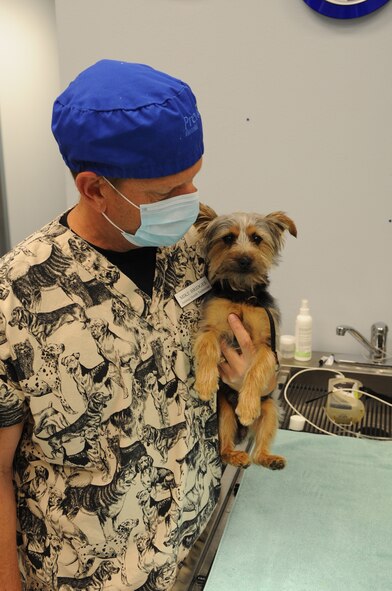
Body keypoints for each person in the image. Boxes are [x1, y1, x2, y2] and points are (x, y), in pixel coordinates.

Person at [0, 59, 255, 591]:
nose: (190, 202)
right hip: (86, 576)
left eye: (194, 180)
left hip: (198, 549)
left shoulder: (201, 251)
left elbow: (236, 363)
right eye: (165, 195)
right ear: (94, 188)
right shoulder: (17, 297)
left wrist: (244, 374)